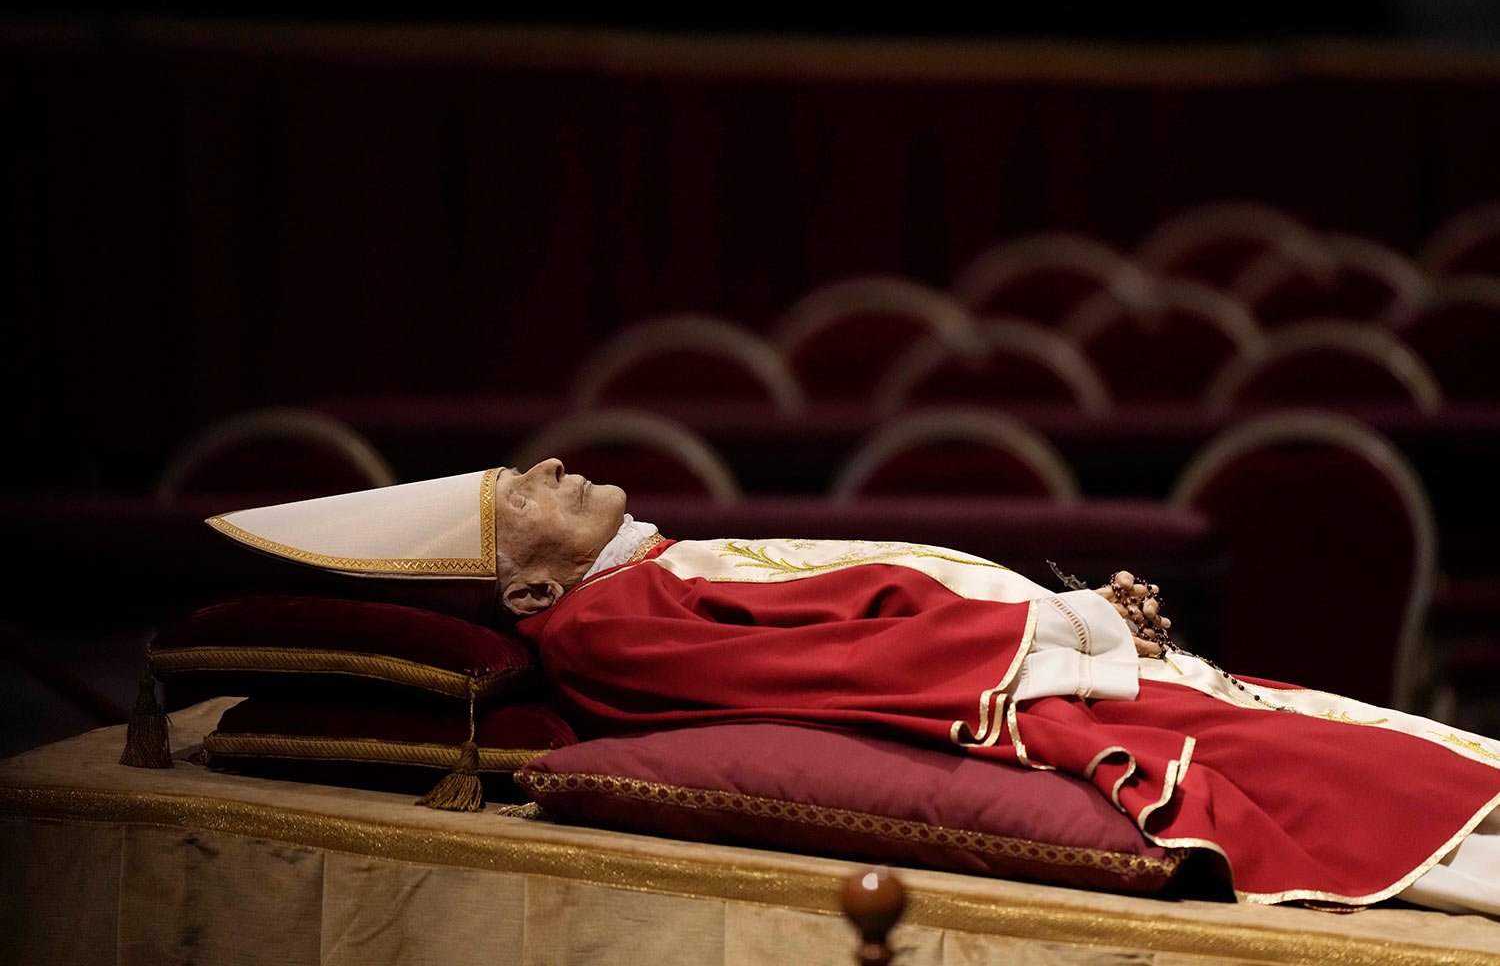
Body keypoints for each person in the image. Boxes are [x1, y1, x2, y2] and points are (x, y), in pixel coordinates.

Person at [209, 460, 1500, 916]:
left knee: (1352, 741)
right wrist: (1065, 629)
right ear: (522, 593)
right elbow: (831, 667)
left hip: (1045, 662)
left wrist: (1073, 619)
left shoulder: (640, 573)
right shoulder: (606, 626)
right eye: (518, 495)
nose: (552, 465)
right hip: (1024, 695)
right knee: (1340, 781)